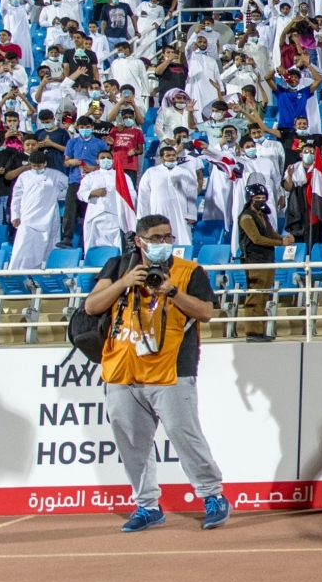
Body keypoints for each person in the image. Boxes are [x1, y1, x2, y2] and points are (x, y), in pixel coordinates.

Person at [78, 214, 228, 532]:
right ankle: (147, 505)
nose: (163, 243)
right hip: (122, 369)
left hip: (171, 369)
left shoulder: (189, 271)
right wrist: (124, 282)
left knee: (185, 437)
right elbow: (92, 306)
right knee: (132, 443)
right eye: (156, 238)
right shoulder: (118, 267)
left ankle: (212, 495)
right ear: (139, 240)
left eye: (167, 237)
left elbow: (205, 312)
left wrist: (171, 292)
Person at [235, 183, 292, 343]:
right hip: (255, 259)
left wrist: (283, 238)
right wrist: (281, 244)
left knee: (263, 295)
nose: (261, 200)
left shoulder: (262, 215)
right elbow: (256, 238)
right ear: (250, 199)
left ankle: (260, 330)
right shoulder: (246, 217)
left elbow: (271, 232)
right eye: (257, 198)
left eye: (263, 198)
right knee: (255, 296)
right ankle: (252, 331)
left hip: (266, 259)